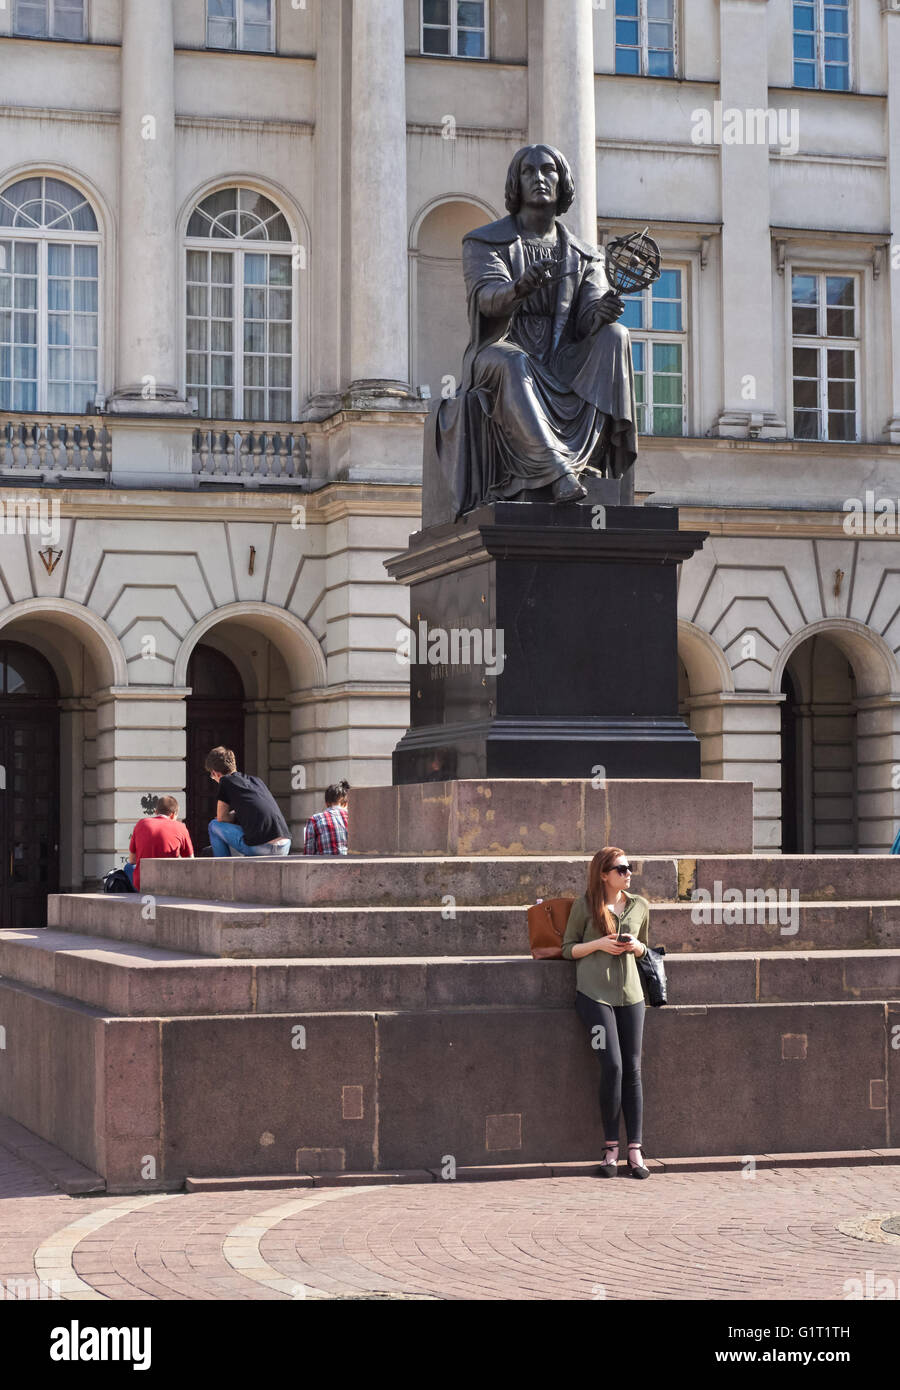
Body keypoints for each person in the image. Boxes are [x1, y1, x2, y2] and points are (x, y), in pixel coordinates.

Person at [426, 142, 637, 519]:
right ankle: (557, 474)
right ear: (516, 184)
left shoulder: (587, 255)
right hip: (498, 351)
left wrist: (600, 312)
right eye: (529, 171)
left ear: (563, 182)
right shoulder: (485, 242)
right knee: (515, 361)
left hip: (561, 357)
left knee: (615, 336)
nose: (539, 178)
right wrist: (519, 288)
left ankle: (604, 469)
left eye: (548, 170)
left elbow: (587, 318)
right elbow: (487, 299)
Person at [561, 846, 652, 1179]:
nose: (627, 873)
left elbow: (645, 948)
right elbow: (568, 949)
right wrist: (599, 943)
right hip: (594, 996)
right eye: (620, 868)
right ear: (603, 874)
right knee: (612, 1066)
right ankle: (610, 1149)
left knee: (633, 1068)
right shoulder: (584, 906)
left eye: (629, 868)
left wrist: (635, 946)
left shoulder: (640, 905)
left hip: (632, 997)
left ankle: (635, 1152)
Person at [205, 746, 292, 857]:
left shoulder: (225, 781)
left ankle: (222, 868)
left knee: (214, 825)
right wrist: (235, 815)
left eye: (212, 776)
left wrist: (229, 817)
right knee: (246, 832)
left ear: (215, 773)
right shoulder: (256, 781)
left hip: (262, 847)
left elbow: (221, 817)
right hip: (284, 845)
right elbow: (257, 809)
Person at [124, 795, 194, 891]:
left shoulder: (141, 823)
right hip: (169, 883)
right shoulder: (181, 827)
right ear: (173, 815)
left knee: (128, 867)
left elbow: (132, 860)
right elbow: (190, 861)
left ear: (156, 812)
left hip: (143, 883)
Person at [303, 780, 349, 856]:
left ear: (326, 803)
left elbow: (308, 853)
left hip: (323, 865)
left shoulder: (315, 819)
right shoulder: (352, 818)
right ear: (345, 803)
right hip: (350, 864)